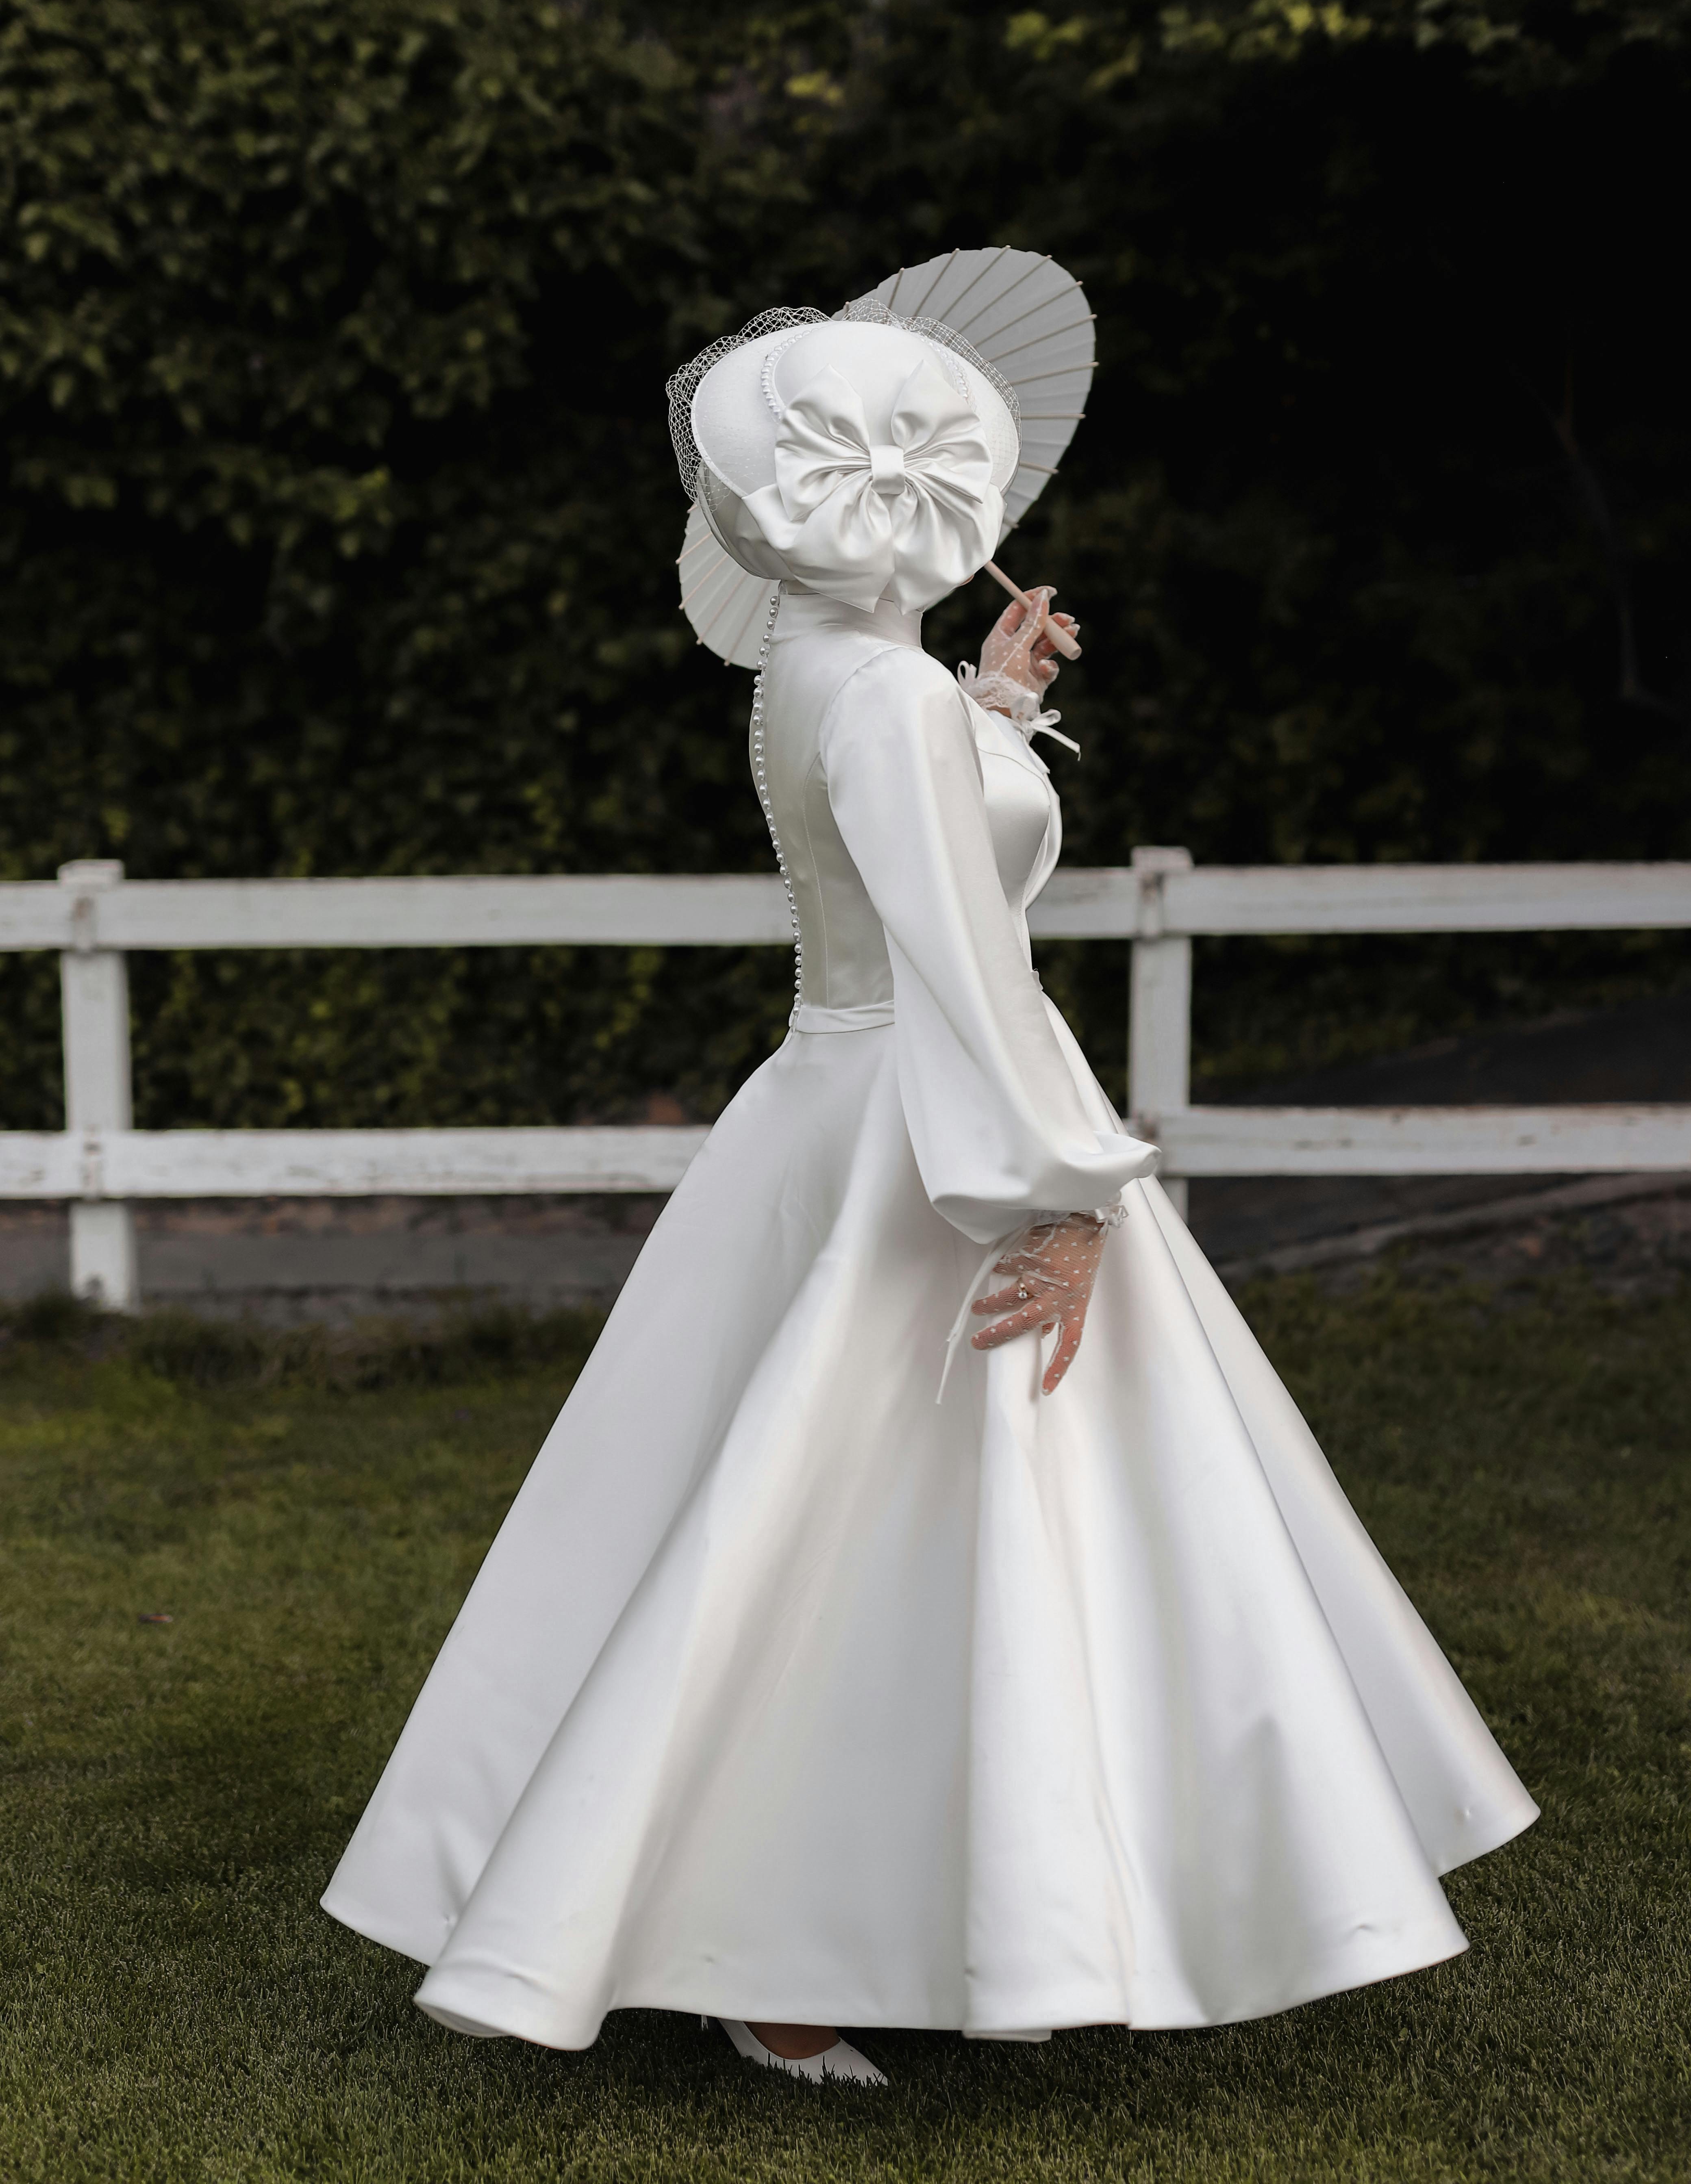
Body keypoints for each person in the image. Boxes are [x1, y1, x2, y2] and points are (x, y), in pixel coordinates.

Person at [323, 274, 1536, 2086]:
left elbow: (899, 843)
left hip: (834, 1102)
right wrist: (1056, 1195)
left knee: (796, 1525)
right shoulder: (869, 695)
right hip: (926, 1120)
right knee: (881, 1529)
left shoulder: (819, 677)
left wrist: (987, 696)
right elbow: (956, 963)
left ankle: (785, 1903)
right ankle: (796, 1935)